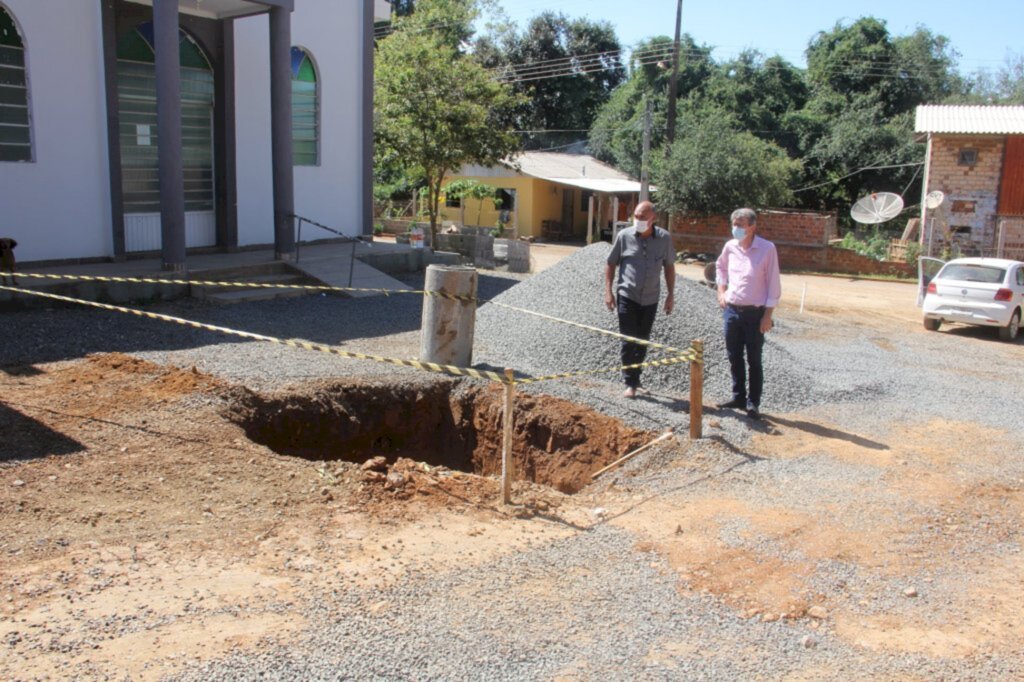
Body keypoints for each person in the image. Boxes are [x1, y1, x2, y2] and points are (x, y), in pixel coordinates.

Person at [604, 201, 676, 398]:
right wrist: (608, 291)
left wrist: (671, 294)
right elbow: (611, 263)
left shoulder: (664, 239)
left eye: (643, 217)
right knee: (629, 340)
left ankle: (636, 379)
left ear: (653, 218)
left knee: (642, 341)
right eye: (636, 216)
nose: (638, 220)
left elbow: (669, 266)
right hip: (627, 295)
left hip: (651, 298)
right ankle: (630, 382)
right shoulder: (624, 236)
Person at [715, 208, 781, 419]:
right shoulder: (730, 247)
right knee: (734, 356)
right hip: (732, 311)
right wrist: (721, 291)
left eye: (741, 224)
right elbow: (720, 267)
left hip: (755, 314)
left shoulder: (767, 249)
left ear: (753, 227)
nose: (736, 228)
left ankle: (753, 403)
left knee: (754, 358)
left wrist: (767, 315)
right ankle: (738, 397)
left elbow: (773, 283)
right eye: (734, 224)